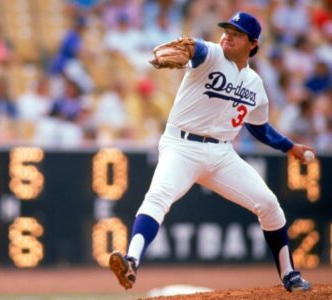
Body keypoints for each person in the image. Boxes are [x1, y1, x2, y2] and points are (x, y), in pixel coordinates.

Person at [109, 12, 314, 293]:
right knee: (157, 197)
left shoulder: (255, 83)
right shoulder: (213, 54)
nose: (228, 35)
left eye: (237, 33)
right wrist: (191, 48)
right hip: (181, 146)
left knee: (269, 205)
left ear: (253, 44)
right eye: (227, 29)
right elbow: (197, 48)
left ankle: (289, 275)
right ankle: (131, 260)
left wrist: (291, 147)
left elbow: (259, 128)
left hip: (222, 154)